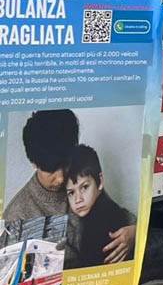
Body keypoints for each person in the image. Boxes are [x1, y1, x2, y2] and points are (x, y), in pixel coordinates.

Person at [6, 110, 136, 265]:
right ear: (34, 164)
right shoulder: (17, 215)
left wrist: (134, 232)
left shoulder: (79, 178)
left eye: (64, 164)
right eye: (51, 169)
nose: (61, 178)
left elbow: (117, 213)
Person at [63, 145, 135, 269]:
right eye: (71, 192)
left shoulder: (105, 218)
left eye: (84, 187)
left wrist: (136, 231)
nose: (78, 199)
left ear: (100, 181)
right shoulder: (82, 215)